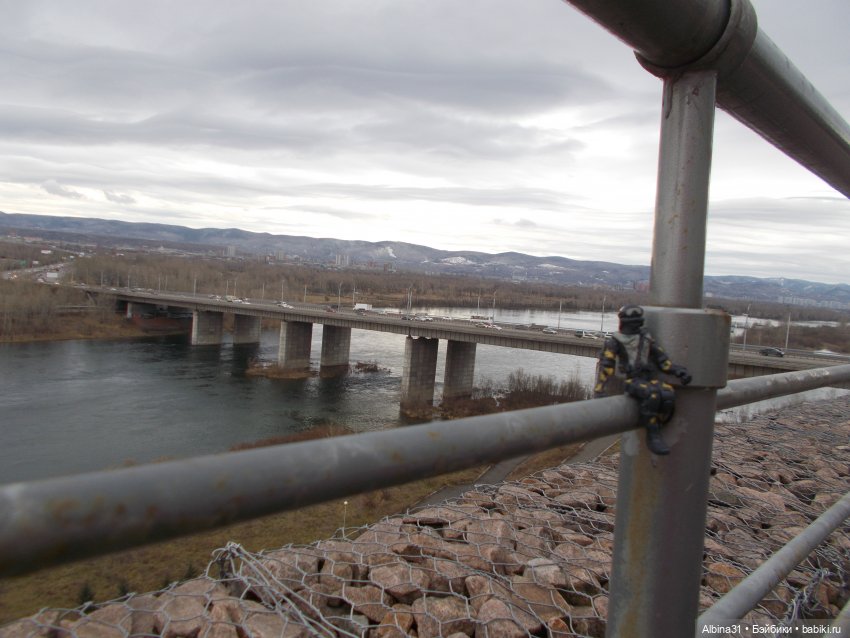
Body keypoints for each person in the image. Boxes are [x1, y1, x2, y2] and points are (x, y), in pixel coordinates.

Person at [594, 304, 692, 455]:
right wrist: (600, 390)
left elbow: (662, 360)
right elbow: (607, 366)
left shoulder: (645, 338)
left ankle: (658, 422)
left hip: (646, 378)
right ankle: (653, 434)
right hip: (631, 380)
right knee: (651, 394)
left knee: (667, 393)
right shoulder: (615, 341)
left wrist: (678, 371)